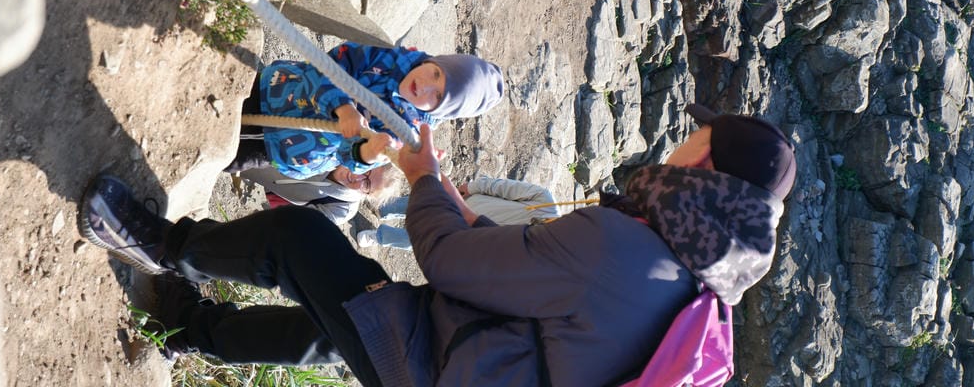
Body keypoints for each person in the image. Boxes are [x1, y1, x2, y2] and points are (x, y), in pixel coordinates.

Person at [79, 104, 795, 386]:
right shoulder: (701, 304)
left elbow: (449, 263)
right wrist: (442, 200)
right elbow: (528, 286)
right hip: (463, 357)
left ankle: (155, 242)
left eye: (696, 134)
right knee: (333, 331)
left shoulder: (625, 251)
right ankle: (188, 330)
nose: (681, 137)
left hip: (432, 361)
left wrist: (423, 177)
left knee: (299, 240)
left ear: (704, 165)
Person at [226, 41, 504, 180]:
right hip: (277, 89)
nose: (425, 86)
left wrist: (369, 153)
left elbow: (349, 157)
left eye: (437, 96)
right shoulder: (391, 61)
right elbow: (330, 62)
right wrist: (343, 107)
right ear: (433, 61)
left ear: (439, 112)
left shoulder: (407, 130)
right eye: (435, 73)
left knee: (224, 150)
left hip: (283, 141)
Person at [356, 175, 561, 249]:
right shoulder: (545, 201)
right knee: (421, 204)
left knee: (418, 242)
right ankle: (382, 205)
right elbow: (503, 187)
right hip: (466, 204)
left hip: (463, 240)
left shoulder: (542, 254)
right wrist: (472, 187)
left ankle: (380, 237)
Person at [237, 163, 402, 225]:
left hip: (252, 171)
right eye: (366, 170)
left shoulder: (343, 208)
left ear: (368, 195)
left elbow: (300, 224)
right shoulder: (334, 144)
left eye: (367, 185)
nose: (357, 178)